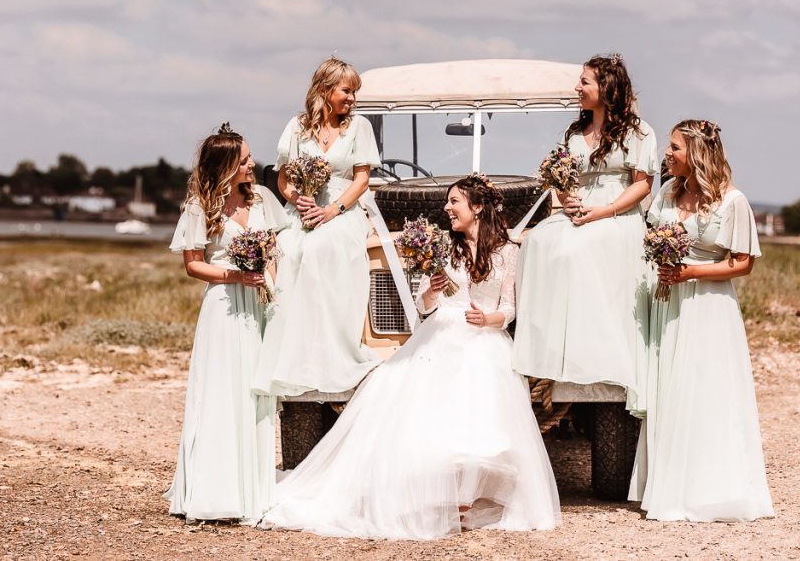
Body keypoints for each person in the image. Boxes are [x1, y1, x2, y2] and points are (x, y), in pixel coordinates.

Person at [257, 175, 561, 540]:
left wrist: (488, 319)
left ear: (477, 207)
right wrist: (432, 291)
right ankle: (429, 491)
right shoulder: (446, 247)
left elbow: (509, 308)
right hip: (442, 331)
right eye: (448, 202)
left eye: (454, 202)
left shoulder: (509, 251)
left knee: (480, 387)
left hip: (485, 335)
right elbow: (423, 304)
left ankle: (467, 493)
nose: (446, 208)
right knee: (397, 389)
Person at [630, 119, 774, 522]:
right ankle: (666, 484)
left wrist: (690, 273)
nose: (667, 154)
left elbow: (742, 264)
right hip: (668, 302)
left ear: (695, 153)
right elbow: (648, 236)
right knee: (670, 388)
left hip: (709, 306)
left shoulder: (733, 201)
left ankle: (707, 487)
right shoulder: (665, 192)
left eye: (674, 148)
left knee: (704, 389)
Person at [513, 53, 658, 414]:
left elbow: (642, 185)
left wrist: (604, 211)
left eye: (584, 82)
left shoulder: (638, 132)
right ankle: (548, 349)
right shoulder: (575, 134)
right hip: (580, 211)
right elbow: (564, 181)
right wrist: (568, 198)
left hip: (617, 213)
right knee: (539, 243)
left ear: (606, 88)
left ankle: (593, 351)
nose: (577, 87)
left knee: (579, 250)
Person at [164, 124, 288, 523]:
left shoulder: (265, 199)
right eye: (246, 160)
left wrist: (271, 283)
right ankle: (215, 490)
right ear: (227, 166)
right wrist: (236, 275)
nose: (254, 165)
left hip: (259, 304)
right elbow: (193, 265)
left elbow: (278, 251)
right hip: (223, 306)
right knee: (221, 391)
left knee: (255, 391)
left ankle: (254, 490)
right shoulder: (201, 207)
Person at [253, 57, 382, 397]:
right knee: (287, 251)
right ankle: (289, 357)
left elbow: (362, 178)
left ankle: (329, 355)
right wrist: (297, 199)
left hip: (343, 208)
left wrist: (332, 210)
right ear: (324, 90)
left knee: (318, 249)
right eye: (346, 90)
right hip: (304, 207)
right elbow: (283, 177)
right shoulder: (297, 127)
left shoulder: (359, 127)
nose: (352, 98)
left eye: (354, 92)